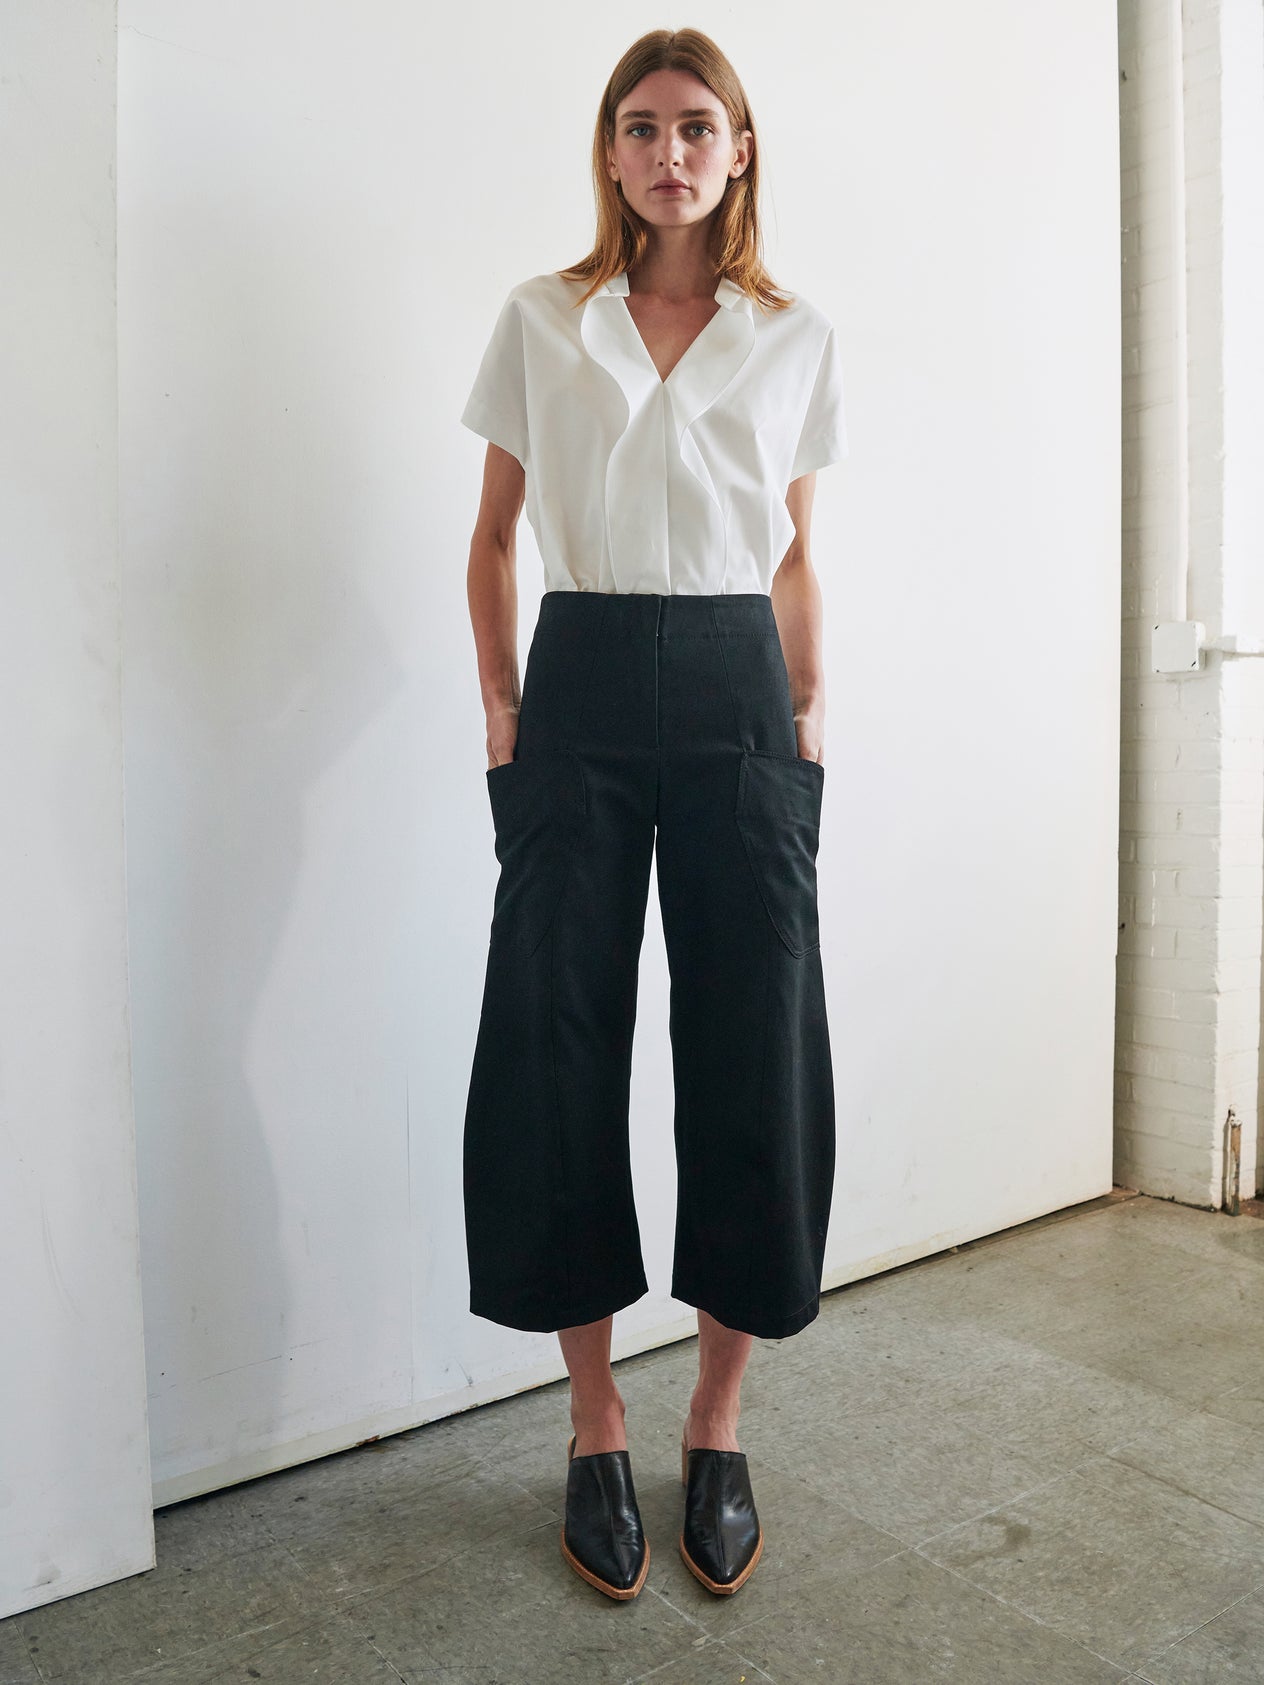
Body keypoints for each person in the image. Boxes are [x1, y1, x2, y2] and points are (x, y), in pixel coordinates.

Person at [459, 27, 848, 1602]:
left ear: (738, 149)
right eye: (643, 127)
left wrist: (808, 717)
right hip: (587, 679)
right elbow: (491, 538)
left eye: (700, 126)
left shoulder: (793, 332)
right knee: (556, 1035)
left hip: (742, 697)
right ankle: (596, 1415)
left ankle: (720, 1414)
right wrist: (503, 710)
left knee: (755, 1041)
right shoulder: (542, 324)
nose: (671, 151)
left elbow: (797, 548)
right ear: (610, 154)